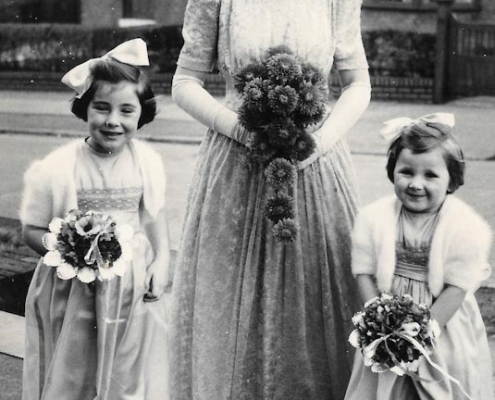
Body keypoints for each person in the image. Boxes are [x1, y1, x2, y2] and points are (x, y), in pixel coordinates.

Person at [169, 0, 372, 398]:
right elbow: (183, 83)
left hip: (315, 167)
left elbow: (358, 84)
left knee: (312, 301)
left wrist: (318, 142)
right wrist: (241, 130)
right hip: (235, 166)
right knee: (231, 308)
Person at [20, 39, 170, 400]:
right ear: (85, 109)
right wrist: (66, 246)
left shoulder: (146, 162)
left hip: (129, 288)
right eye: (102, 108)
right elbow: (30, 230)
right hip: (71, 290)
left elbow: (154, 216)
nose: (113, 121)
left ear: (141, 114)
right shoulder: (58, 167)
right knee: (73, 369)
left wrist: (162, 260)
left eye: (126, 111)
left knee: (127, 370)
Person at [344, 113, 493, 400]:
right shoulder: (375, 219)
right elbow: (364, 271)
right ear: (392, 171)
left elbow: (458, 287)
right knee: (386, 384)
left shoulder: (463, 226)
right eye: (406, 172)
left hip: (442, 322)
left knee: (441, 381)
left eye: (430, 175)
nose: (416, 183)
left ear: (452, 180)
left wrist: (423, 333)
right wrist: (378, 319)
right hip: (388, 321)